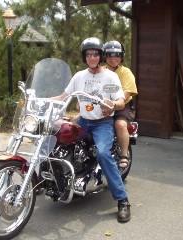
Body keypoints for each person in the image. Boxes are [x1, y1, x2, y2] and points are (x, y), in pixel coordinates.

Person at [53, 37, 131, 223]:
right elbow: (64, 96)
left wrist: (113, 104)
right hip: (84, 121)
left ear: (100, 56)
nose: (92, 57)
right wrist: (42, 101)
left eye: (95, 54)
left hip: (102, 122)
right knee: (56, 138)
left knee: (103, 154)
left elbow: (120, 100)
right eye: (88, 54)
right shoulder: (79, 76)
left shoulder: (110, 77)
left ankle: (122, 200)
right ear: (84, 57)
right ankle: (44, 180)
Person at [104, 40, 138, 169]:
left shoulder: (126, 72)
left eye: (117, 55)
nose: (113, 58)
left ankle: (124, 155)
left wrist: (115, 103)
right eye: (110, 55)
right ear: (105, 56)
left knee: (120, 124)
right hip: (103, 105)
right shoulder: (101, 71)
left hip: (123, 106)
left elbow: (128, 92)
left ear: (121, 56)